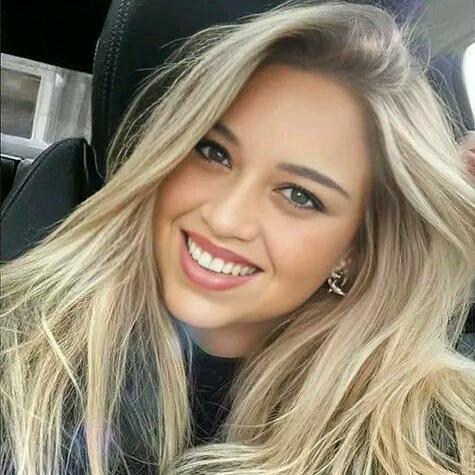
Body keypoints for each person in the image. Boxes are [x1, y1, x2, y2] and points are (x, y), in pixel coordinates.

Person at [1, 1, 474, 474]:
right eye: (214, 152)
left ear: (355, 250)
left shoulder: (431, 434)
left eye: (299, 195)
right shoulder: (20, 341)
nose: (226, 218)